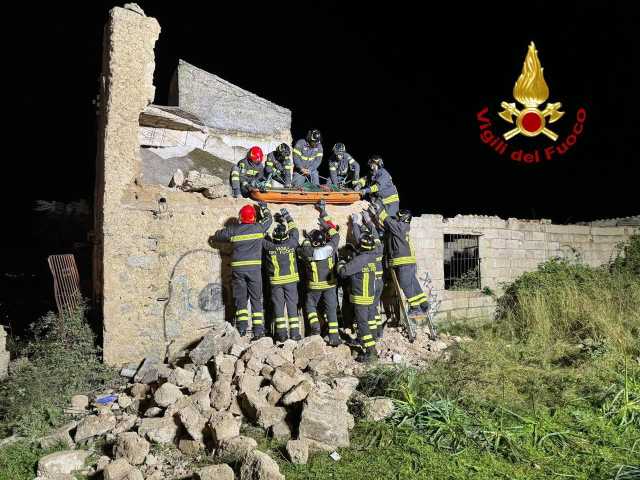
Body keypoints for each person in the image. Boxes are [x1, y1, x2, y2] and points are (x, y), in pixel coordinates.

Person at [211, 202, 272, 338]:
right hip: (254, 270)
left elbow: (217, 236)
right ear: (254, 218)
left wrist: (223, 231)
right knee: (256, 299)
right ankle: (258, 331)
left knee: (241, 299)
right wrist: (264, 208)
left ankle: (242, 329)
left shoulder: (234, 230)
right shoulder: (259, 227)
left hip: (238, 270)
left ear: (240, 217)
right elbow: (269, 219)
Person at [371, 204, 429, 316]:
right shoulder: (402, 228)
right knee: (413, 283)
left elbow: (389, 222)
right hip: (408, 262)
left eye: (398, 217)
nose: (396, 219)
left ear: (403, 218)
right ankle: (424, 304)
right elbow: (388, 227)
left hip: (403, 262)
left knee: (405, 284)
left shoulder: (400, 227)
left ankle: (415, 308)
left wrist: (379, 210)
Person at [297, 200, 341, 345]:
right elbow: (336, 236)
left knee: (310, 306)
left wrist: (307, 239)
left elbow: (301, 248)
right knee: (331, 310)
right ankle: (334, 337)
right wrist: (327, 226)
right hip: (330, 285)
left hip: (314, 286)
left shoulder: (308, 252)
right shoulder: (330, 248)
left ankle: (315, 327)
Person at [336, 230, 379, 362]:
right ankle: (370, 342)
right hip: (369, 296)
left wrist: (341, 262)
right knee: (369, 321)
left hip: (361, 297)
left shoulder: (360, 259)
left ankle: (371, 352)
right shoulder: (372, 257)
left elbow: (343, 272)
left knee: (362, 324)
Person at [263, 208, 301, 341]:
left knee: (278, 308)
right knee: (292, 307)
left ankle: (281, 335)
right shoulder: (292, 243)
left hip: (276, 282)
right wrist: (287, 216)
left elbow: (259, 236)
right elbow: (295, 231)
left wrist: (263, 215)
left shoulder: (269, 246)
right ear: (286, 236)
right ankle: (295, 334)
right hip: (291, 281)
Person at [351, 211, 385, 338]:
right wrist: (369, 221)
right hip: (379, 281)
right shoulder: (379, 246)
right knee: (374, 307)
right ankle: (378, 332)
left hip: (371, 283)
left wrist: (355, 223)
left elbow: (357, 238)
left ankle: (373, 335)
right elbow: (375, 234)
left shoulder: (366, 253)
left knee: (370, 309)